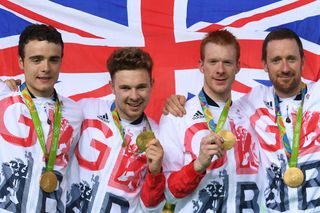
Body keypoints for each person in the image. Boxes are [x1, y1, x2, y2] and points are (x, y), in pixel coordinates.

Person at [159, 30, 261, 212]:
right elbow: (169, 193)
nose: (220, 70)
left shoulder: (252, 113)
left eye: (227, 63)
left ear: (238, 66)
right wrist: (198, 165)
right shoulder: (177, 116)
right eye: (213, 62)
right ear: (201, 65)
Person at [66, 47, 165, 212]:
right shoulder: (85, 110)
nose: (134, 96)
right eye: (125, 88)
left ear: (151, 85)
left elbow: (152, 208)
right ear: (111, 86)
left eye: (141, 87)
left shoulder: (159, 135)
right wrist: (15, 88)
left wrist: (156, 173)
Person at [234, 28, 320, 212]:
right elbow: (215, 106)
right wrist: (178, 102)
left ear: (303, 61)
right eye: (276, 60)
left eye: (291, 58)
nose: (285, 68)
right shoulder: (252, 101)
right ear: (264, 65)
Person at [0, 24, 83, 212]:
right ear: (21, 62)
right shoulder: (3, 95)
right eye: (36, 60)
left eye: (53, 60)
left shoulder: (76, 112)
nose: (45, 68)